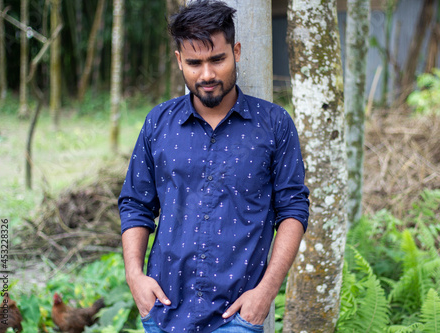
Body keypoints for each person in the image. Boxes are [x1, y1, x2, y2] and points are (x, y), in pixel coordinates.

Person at [118, 1, 309, 332]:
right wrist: (134, 277)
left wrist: (267, 291)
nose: (206, 74)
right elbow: (136, 204)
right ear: (180, 61)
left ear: (236, 52)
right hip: (164, 312)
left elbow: (293, 210)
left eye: (217, 59)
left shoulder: (274, 124)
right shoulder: (157, 123)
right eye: (194, 63)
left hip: (237, 317)